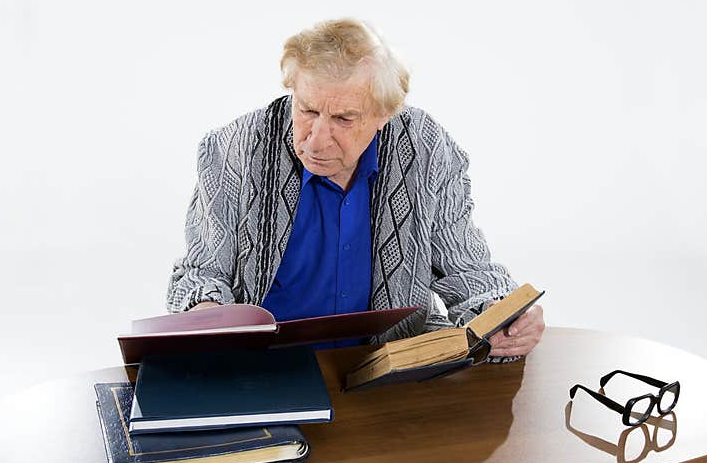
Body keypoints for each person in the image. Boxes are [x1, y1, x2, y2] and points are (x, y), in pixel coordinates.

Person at [166, 18, 544, 359]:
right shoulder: (235, 150)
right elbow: (201, 274)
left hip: (391, 367)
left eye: (343, 118)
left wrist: (505, 318)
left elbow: (466, 269)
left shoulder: (426, 148)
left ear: (384, 114)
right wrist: (206, 314)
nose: (316, 140)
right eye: (307, 110)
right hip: (264, 367)